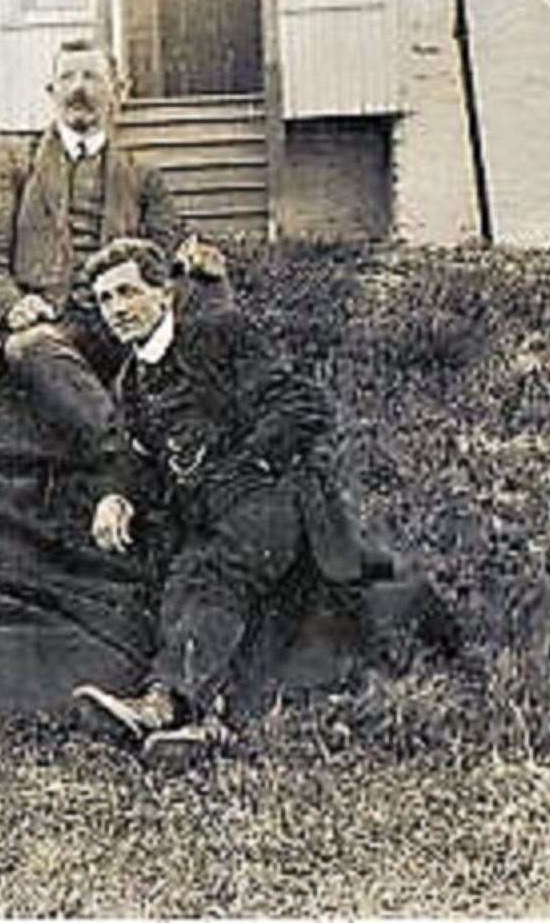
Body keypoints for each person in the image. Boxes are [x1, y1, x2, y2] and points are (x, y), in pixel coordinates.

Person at [66, 238, 365, 760]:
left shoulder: (219, 334)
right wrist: (115, 495)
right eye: (106, 300)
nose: (116, 309)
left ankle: (165, 707)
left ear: (164, 294)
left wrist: (247, 464)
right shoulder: (131, 380)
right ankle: (196, 722)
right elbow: (130, 455)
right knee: (182, 578)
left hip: (276, 497)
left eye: (127, 292)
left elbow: (301, 404)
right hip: (208, 513)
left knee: (212, 571)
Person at [0, 38, 228, 460]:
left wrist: (195, 262)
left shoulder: (143, 177)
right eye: (67, 77)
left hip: (115, 324)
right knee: (29, 347)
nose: (78, 88)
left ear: (119, 91)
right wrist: (12, 306)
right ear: (51, 92)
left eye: (92, 77)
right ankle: (124, 453)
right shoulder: (14, 159)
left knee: (205, 314)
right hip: (43, 326)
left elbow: (162, 259)